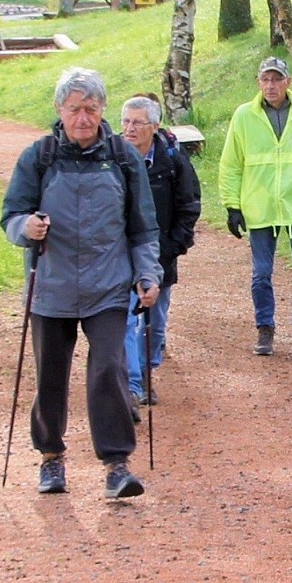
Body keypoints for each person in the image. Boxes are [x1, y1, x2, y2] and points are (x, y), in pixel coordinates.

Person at [1, 67, 161, 500]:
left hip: (108, 285)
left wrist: (149, 275)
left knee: (109, 369)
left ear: (102, 110)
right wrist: (26, 227)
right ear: (60, 111)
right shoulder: (40, 156)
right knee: (50, 375)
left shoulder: (123, 158)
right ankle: (51, 459)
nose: (83, 118)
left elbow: (143, 228)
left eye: (91, 109)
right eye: (75, 110)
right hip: (50, 289)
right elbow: (11, 216)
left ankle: (116, 465)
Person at [218, 56, 292, 359]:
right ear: (259, 83)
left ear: (288, 83)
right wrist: (232, 205)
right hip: (260, 206)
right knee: (261, 273)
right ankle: (265, 328)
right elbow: (231, 164)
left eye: (276, 79)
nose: (270, 85)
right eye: (265, 79)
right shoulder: (244, 116)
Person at [119, 95, 201, 417]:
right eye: (125, 121)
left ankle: (147, 370)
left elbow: (189, 207)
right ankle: (133, 386)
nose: (129, 128)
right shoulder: (113, 157)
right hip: (121, 255)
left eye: (137, 122)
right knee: (126, 319)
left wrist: (170, 250)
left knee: (154, 320)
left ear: (154, 126)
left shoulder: (172, 160)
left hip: (161, 255)